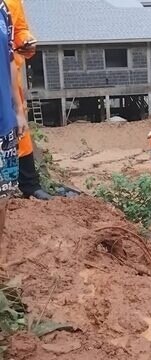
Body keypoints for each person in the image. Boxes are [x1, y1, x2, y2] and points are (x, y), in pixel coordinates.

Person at [6, 0, 50, 200]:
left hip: (8, 72)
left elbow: (20, 29)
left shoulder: (13, 1)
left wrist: (26, 41)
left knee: (18, 126)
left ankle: (29, 184)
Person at [0, 0, 28, 241]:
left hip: (4, 120)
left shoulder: (4, 10)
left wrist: (18, 110)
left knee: (3, 196)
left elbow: (10, 61)